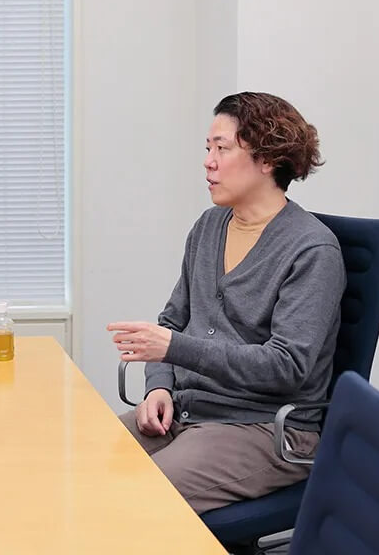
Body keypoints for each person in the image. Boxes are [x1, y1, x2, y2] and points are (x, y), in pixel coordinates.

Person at [107, 92, 345, 513]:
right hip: (187, 409)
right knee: (81, 470)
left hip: (264, 428)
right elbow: (173, 321)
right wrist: (159, 385)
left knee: (135, 502)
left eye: (223, 148)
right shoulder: (210, 225)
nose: (208, 161)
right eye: (208, 148)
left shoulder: (312, 251)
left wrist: (173, 350)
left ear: (267, 159)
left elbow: (286, 367)